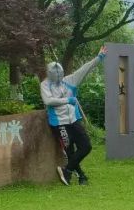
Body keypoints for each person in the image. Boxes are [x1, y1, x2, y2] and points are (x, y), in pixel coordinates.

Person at [40, 46, 106, 185]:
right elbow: (48, 101)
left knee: (86, 146)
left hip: (74, 120)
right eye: (55, 75)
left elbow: (85, 69)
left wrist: (99, 57)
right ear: (49, 74)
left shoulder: (69, 81)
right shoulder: (45, 85)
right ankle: (81, 176)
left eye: (60, 74)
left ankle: (67, 171)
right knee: (69, 151)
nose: (58, 77)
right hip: (59, 123)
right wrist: (67, 100)